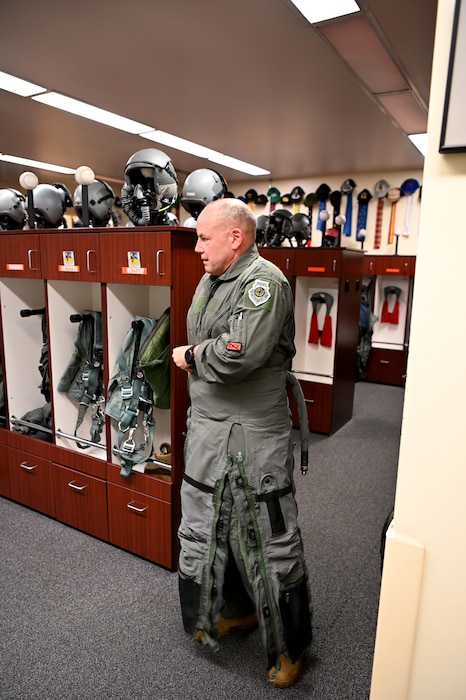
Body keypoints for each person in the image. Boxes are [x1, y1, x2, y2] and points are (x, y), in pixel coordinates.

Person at [172, 198, 312, 688]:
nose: (196, 248)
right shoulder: (212, 281)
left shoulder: (263, 284)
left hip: (254, 431)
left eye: (203, 238)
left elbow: (240, 352)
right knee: (210, 524)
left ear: (236, 237)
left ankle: (289, 650)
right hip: (209, 426)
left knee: (266, 533)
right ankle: (234, 612)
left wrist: (191, 354)